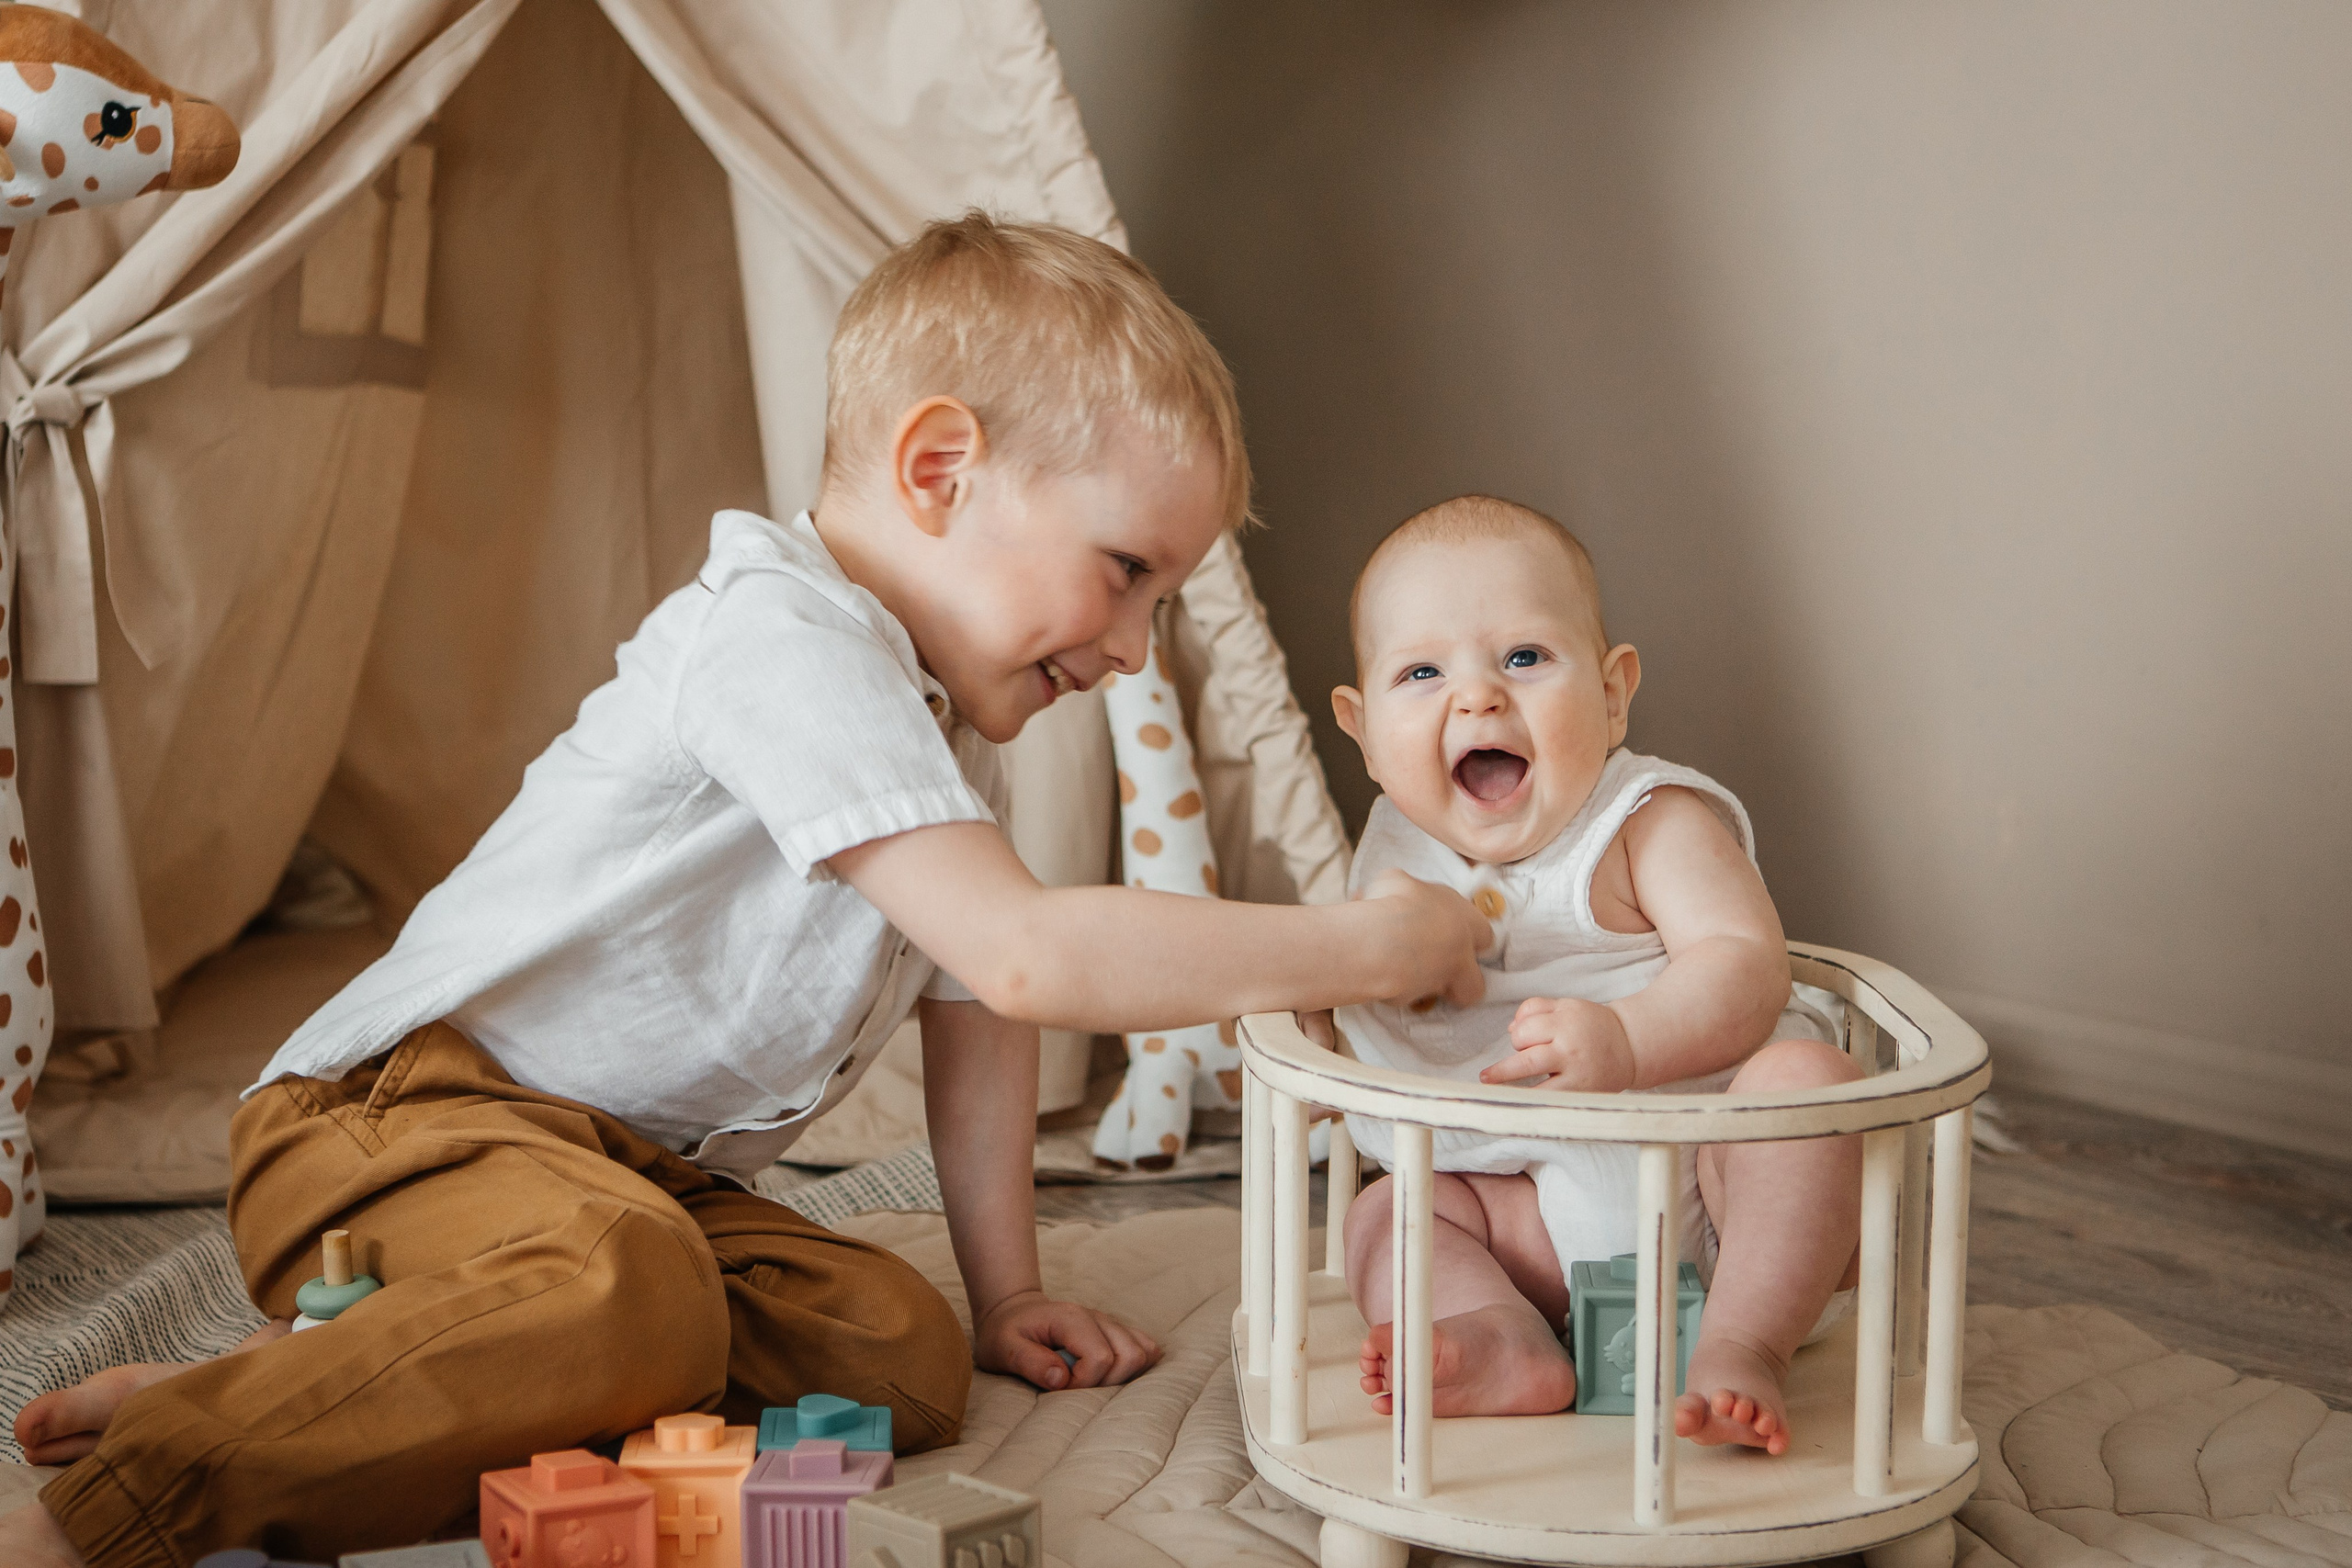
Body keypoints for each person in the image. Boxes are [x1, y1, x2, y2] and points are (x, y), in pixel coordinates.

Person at [2, 215, 1489, 1568]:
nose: (1128, 647)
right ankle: (153, 1479)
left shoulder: (933, 758)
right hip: (394, 1121)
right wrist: (1357, 944)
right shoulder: (780, 635)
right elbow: (1028, 959)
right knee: (623, 1284)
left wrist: (1007, 1289)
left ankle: (346, 1376)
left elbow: (979, 1020)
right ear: (937, 470)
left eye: (1160, 600)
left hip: (625, 1185)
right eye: (1123, 572)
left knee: (895, 1353)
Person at [1329, 493, 1861, 1454]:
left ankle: (1742, 1348)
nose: (1478, 696)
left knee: (1808, 1090)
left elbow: (1747, 965)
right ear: (1362, 731)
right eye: (1421, 671)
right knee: (1387, 1211)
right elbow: (1372, 985)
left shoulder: (1643, 822)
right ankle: (1501, 1336)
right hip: (1525, 1221)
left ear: (1614, 693)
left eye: (1524, 658)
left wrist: (1628, 1039)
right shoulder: (1392, 858)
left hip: (1716, 1206)